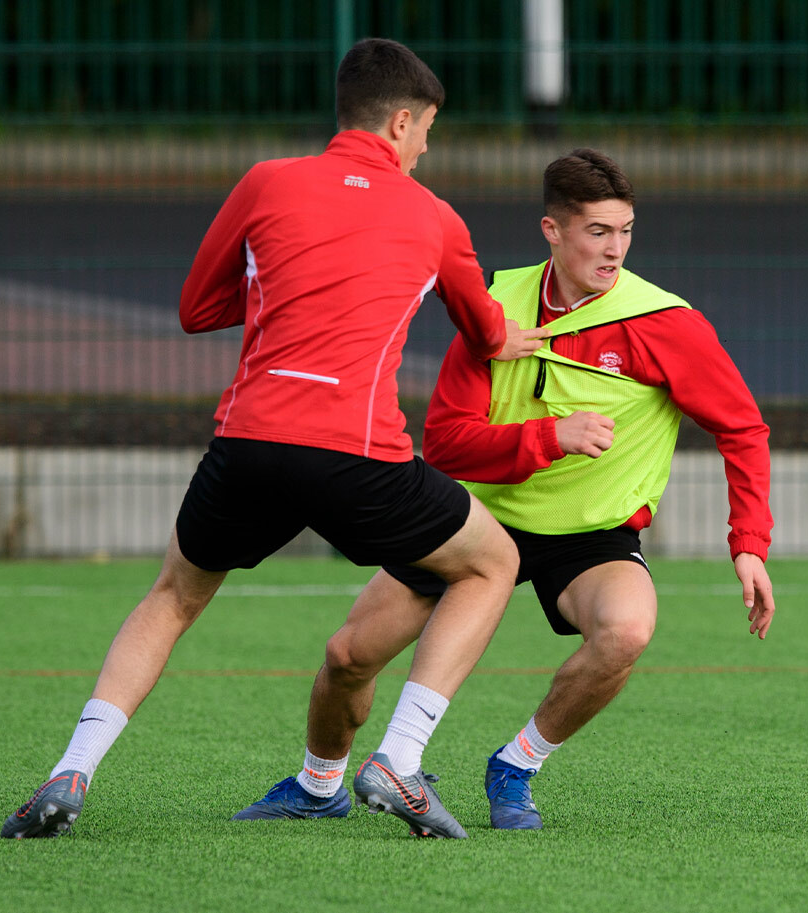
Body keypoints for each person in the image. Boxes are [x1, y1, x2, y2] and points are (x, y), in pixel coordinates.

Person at [0, 38, 540, 841]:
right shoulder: (434, 217)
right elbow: (484, 329)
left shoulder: (266, 181)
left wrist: (286, 296)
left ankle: (72, 769)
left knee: (173, 596)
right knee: (494, 561)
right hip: (358, 454)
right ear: (400, 123)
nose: (427, 147)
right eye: (428, 129)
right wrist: (508, 337)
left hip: (249, 443)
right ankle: (399, 755)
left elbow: (196, 308)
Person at [236, 148, 775, 832]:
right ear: (553, 230)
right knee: (348, 656)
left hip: (590, 533)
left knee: (627, 630)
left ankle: (516, 764)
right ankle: (319, 785)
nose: (615, 250)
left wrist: (748, 543)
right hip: (477, 521)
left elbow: (743, 428)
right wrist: (550, 436)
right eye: (597, 232)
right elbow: (447, 441)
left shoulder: (664, 322)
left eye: (625, 231)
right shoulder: (495, 306)